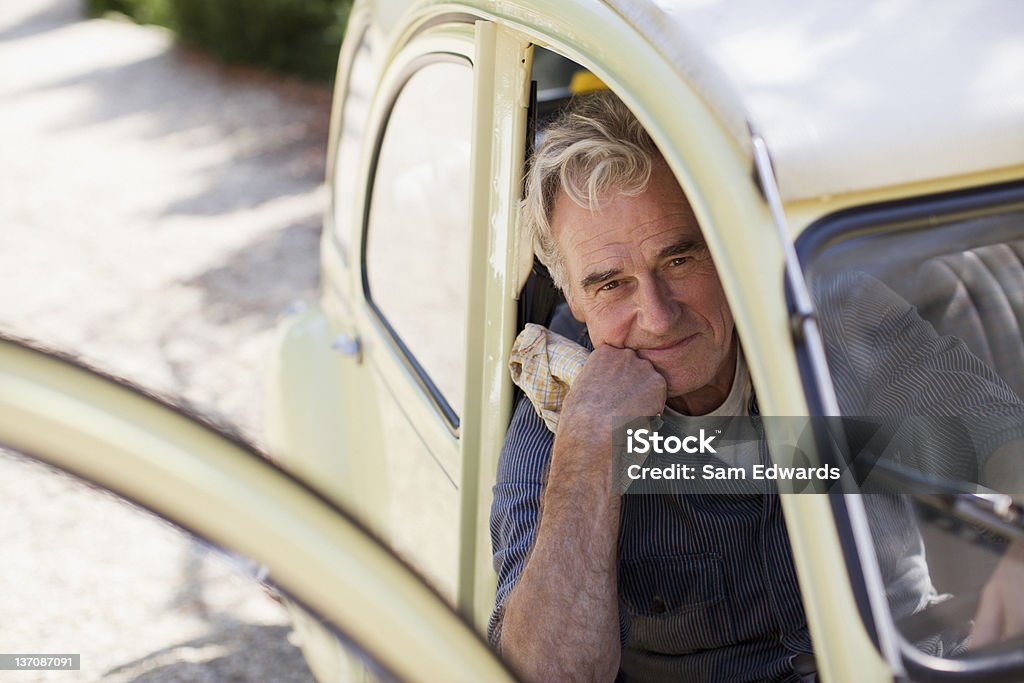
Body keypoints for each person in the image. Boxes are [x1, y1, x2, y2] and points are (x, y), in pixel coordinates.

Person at [488, 90, 1024, 682]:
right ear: (576, 302)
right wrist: (591, 453)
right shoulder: (557, 424)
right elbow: (540, 674)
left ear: (728, 247)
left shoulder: (827, 311)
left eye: (679, 260)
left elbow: (994, 424)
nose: (659, 315)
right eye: (611, 284)